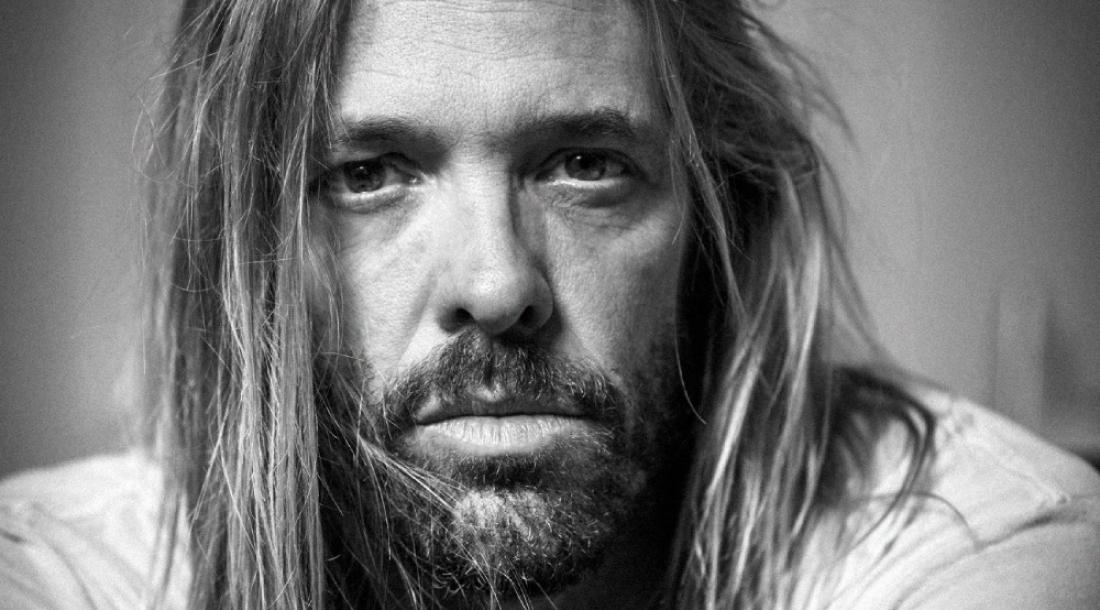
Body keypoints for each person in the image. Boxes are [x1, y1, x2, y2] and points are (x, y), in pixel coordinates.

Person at [2, 0, 1099, 608]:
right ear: (251, 249)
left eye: (584, 165)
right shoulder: (59, 572)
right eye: (369, 175)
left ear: (718, 204)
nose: (496, 285)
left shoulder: (984, 555)